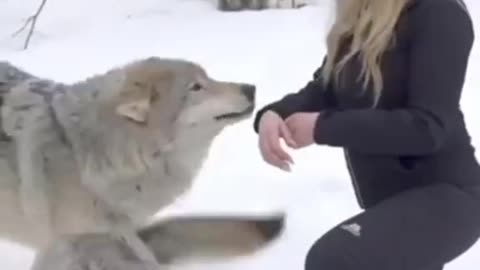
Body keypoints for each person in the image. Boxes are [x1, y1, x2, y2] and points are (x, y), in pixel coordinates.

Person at [253, 0, 480, 269]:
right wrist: (276, 113)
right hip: (390, 202)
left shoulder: (440, 12)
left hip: (447, 195)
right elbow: (328, 87)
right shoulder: (363, 10)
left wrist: (323, 127)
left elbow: (427, 127)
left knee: (335, 258)